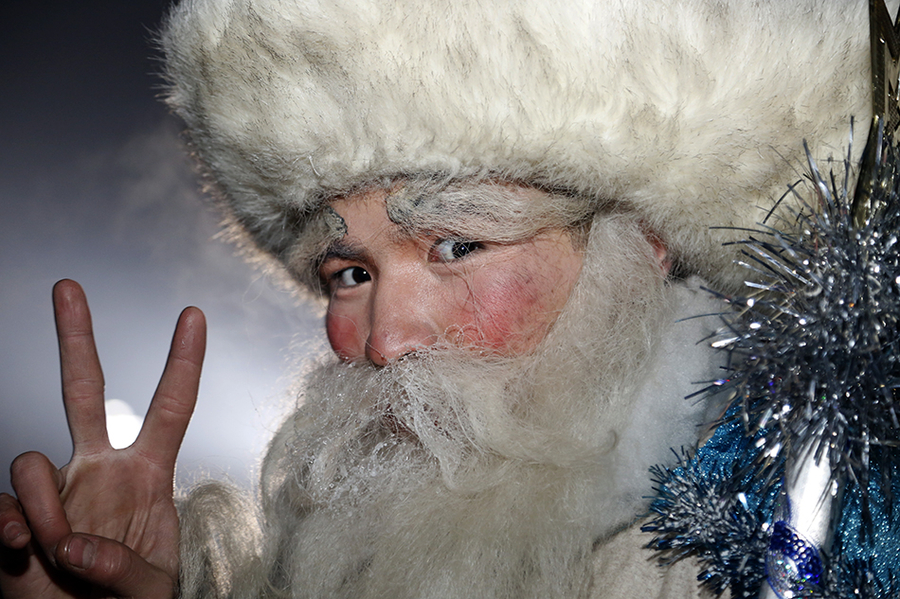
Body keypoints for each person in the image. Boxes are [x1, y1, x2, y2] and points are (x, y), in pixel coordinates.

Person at [0, 0, 874, 597]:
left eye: (456, 245)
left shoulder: (801, 538)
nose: (384, 340)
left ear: (644, 243)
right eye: (350, 273)